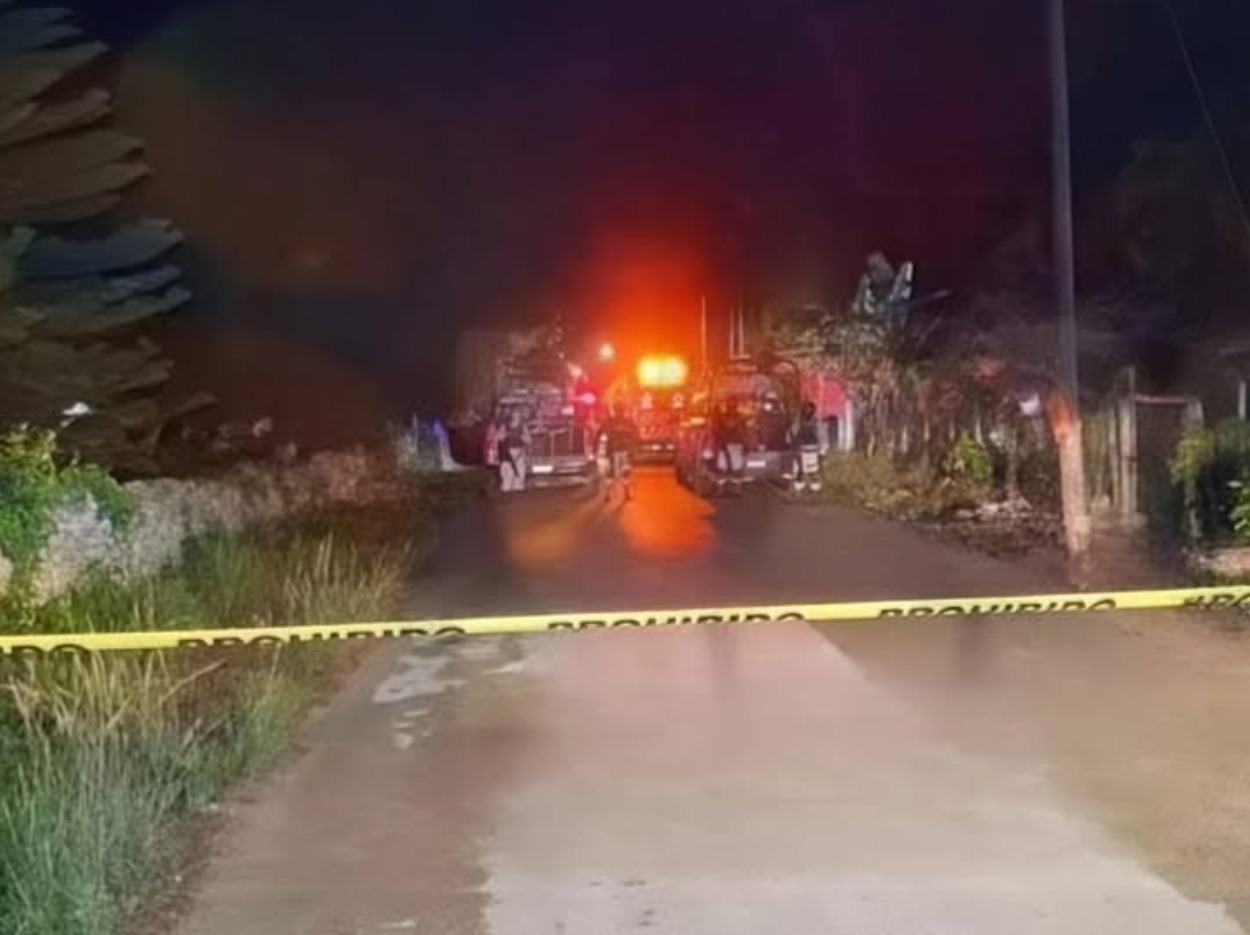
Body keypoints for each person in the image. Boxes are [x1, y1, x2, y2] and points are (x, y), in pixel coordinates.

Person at [598, 403, 638, 502]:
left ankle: (608, 494)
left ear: (615, 410)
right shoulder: (628, 422)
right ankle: (626, 493)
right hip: (624, 449)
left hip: (613, 449)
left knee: (611, 473)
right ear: (623, 410)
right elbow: (636, 434)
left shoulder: (610, 421)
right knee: (625, 472)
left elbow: (601, 432)